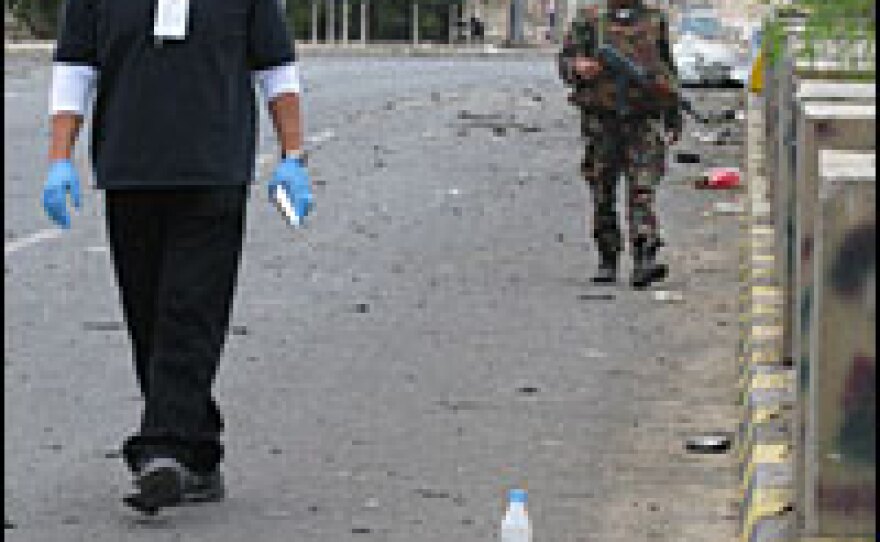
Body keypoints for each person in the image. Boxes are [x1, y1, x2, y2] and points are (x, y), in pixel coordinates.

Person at [45, 0, 313, 514]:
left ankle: (161, 449)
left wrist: (293, 155)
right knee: (147, 319)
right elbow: (75, 68)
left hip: (213, 172)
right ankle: (201, 452)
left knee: (189, 311)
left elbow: (276, 68)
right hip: (128, 171)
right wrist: (60, 158)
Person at [558, 0, 682, 288]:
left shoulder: (654, 20)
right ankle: (608, 255)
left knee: (643, 187)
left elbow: (666, 68)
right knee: (603, 189)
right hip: (602, 121)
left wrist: (672, 113)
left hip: (642, 119)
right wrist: (579, 68)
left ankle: (644, 254)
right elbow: (565, 62)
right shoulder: (589, 20)